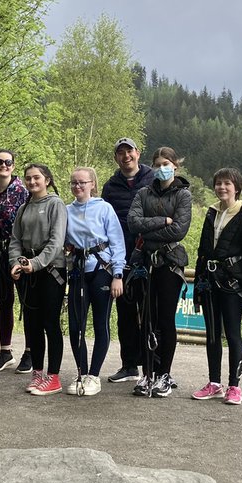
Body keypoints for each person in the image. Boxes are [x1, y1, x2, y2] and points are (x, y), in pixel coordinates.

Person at [192, 167, 242, 407]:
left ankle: (234, 385)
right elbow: (203, 251)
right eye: (219, 183)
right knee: (212, 335)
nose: (222, 187)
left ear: (237, 187)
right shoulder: (212, 213)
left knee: (232, 334)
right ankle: (214, 383)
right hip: (211, 282)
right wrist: (199, 286)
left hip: (233, 285)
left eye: (227, 184)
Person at [127, 146, 192, 398]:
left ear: (175, 165)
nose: (162, 167)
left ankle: (164, 373)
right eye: (158, 163)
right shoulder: (144, 193)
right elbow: (133, 224)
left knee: (165, 320)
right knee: (147, 320)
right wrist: (162, 221)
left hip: (168, 263)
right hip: (145, 263)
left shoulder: (183, 195)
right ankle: (148, 373)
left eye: (166, 163)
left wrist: (149, 230)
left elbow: (179, 230)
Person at [64, 167, 126, 397]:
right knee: (75, 325)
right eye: (74, 183)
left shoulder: (104, 208)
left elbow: (118, 242)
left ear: (92, 184)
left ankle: (93, 375)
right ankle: (81, 372)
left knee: (100, 323)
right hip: (78, 270)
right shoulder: (66, 210)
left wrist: (117, 275)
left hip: (102, 269)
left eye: (82, 182)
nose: (77, 186)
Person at [8, 163, 68, 395]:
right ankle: (37, 373)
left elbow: (56, 241)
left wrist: (36, 264)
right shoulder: (24, 208)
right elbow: (15, 239)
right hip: (28, 271)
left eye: (37, 178)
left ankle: (53, 376)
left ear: (47, 180)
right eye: (28, 178)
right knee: (32, 325)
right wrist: (16, 262)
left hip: (51, 271)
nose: (32, 182)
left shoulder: (56, 204)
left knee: (50, 323)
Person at [100, 138, 154, 383]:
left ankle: (152, 368)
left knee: (150, 313)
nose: (125, 156)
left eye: (129, 151)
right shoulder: (110, 186)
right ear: (116, 158)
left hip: (148, 256)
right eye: (120, 153)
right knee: (125, 314)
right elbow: (104, 221)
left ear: (137, 153)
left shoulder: (153, 179)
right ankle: (129, 365)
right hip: (120, 258)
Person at [0, 149, 32, 375]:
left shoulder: (23, 191)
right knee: (5, 301)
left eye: (8, 162)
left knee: (27, 301)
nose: (3, 165)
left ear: (13, 165)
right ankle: (5, 351)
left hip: (19, 251)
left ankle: (31, 351)